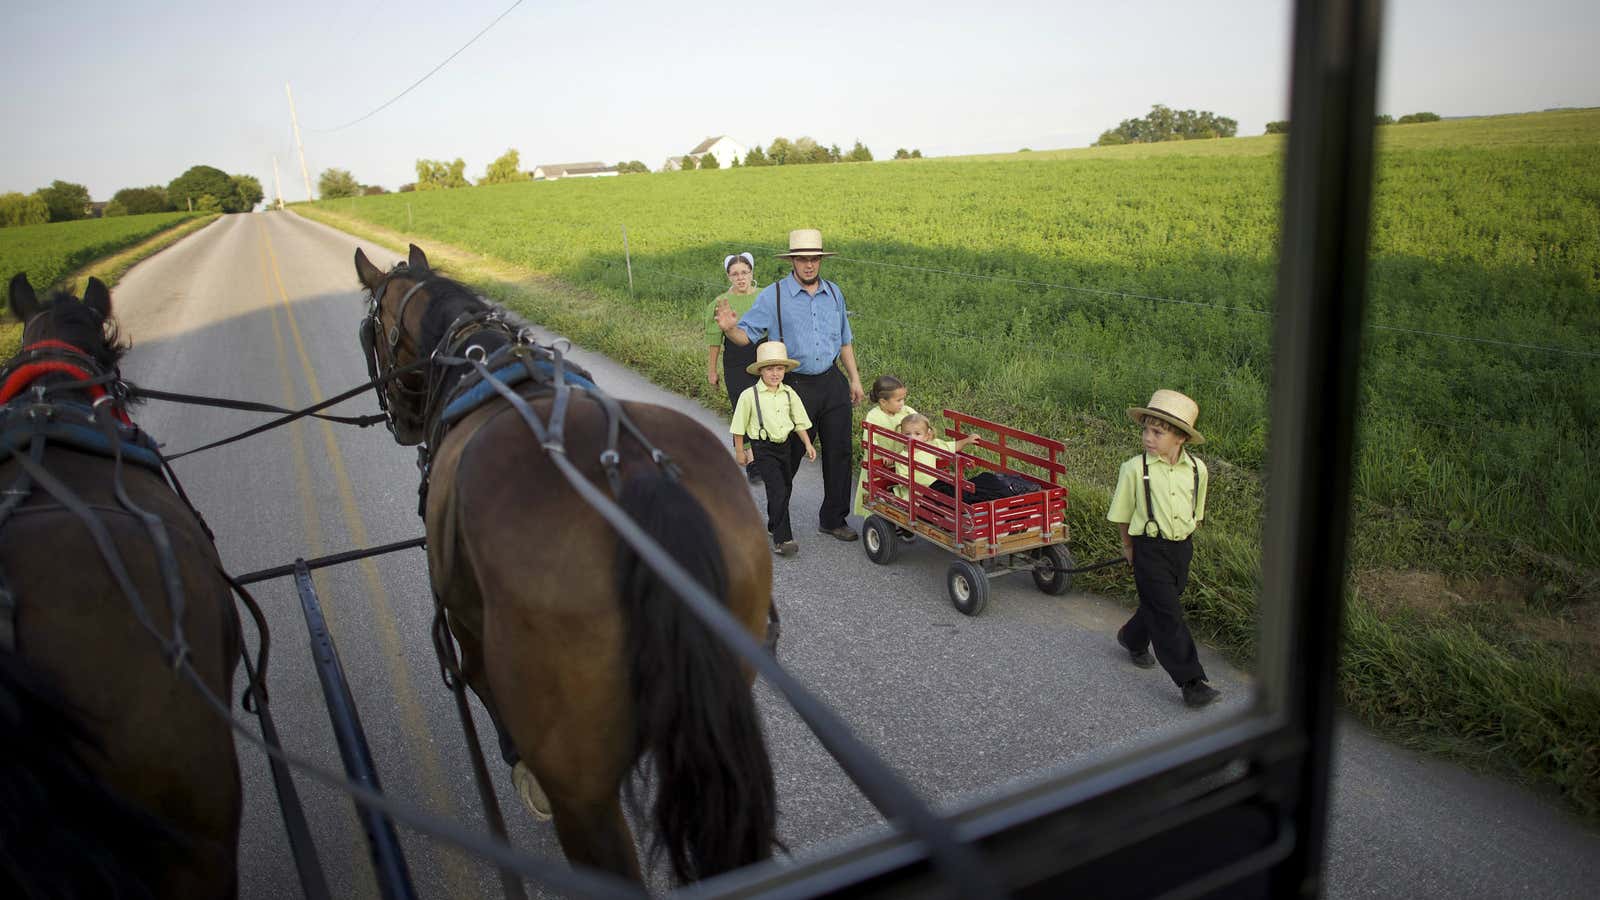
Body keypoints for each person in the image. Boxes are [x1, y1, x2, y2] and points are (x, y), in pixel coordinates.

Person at [715, 229, 865, 541]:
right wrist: (730, 329)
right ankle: (779, 525)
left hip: (832, 380)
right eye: (802, 259)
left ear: (820, 260)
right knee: (788, 455)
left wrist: (854, 378)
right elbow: (747, 335)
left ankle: (833, 518)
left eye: (814, 259)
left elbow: (845, 340)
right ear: (792, 261)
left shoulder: (834, 293)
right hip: (795, 386)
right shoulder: (774, 296)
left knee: (839, 452)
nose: (809, 265)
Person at [1106, 390, 1220, 708]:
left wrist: (1185, 538)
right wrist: (1129, 546)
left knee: (1163, 602)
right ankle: (1191, 682)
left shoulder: (1198, 470)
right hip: (1148, 548)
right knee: (1169, 613)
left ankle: (1132, 636)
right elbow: (1122, 514)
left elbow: (1196, 511)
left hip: (1182, 548)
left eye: (1158, 432)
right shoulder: (1134, 469)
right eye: (1146, 430)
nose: (1148, 437)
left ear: (1180, 437)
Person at [730, 341, 817, 556]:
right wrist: (740, 451)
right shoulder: (749, 396)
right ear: (760, 370)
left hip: (784, 446)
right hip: (763, 447)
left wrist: (807, 443)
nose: (775, 374)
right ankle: (783, 540)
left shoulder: (789, 394)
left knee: (785, 488)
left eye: (780, 369)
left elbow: (799, 421)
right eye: (770, 369)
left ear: (785, 371)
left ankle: (773, 524)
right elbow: (739, 426)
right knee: (777, 490)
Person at [705, 252, 762, 483]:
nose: (740, 278)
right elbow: (713, 339)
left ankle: (763, 453)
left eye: (744, 273)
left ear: (752, 273)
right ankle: (751, 459)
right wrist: (712, 370)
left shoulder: (765, 296)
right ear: (728, 276)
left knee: (763, 405)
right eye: (735, 274)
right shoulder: (720, 303)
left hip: (763, 355)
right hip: (736, 360)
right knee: (743, 406)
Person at [853, 374, 917, 518]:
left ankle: (899, 516)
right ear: (883, 401)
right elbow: (870, 440)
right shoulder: (874, 416)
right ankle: (872, 518)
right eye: (898, 400)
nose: (902, 403)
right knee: (876, 488)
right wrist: (882, 453)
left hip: (900, 460)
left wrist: (927, 429)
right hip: (879, 461)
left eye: (903, 399)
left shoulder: (906, 411)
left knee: (897, 487)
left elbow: (918, 421)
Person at [894, 413, 978, 501]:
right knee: (917, 501)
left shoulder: (931, 446)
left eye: (917, 434)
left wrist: (966, 441)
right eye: (907, 434)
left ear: (926, 436)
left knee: (947, 492)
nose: (911, 437)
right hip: (914, 491)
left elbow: (950, 447)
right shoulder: (903, 457)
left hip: (933, 487)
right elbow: (903, 480)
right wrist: (922, 490)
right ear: (901, 434)